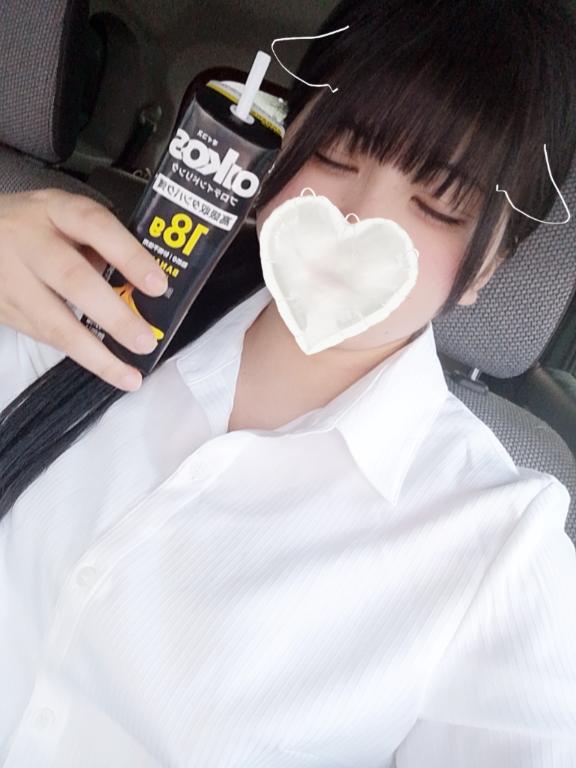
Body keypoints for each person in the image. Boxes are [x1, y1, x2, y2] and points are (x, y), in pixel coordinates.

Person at [1, 0, 576, 765]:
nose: (355, 219)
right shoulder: (73, 294)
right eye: (337, 151)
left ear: (489, 269)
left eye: (439, 203)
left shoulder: (499, 549)